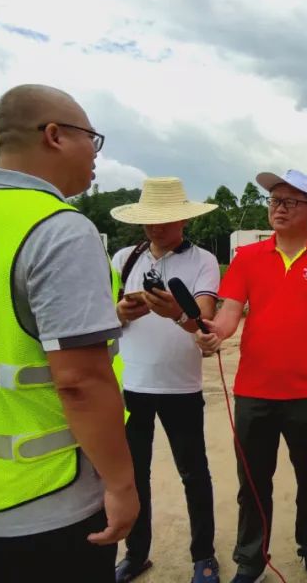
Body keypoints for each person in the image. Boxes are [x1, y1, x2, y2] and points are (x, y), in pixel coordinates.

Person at [0, 84, 137, 582]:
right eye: (92, 138)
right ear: (55, 136)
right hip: (45, 500)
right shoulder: (58, 228)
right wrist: (122, 485)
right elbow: (79, 382)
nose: (96, 154)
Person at [195, 169, 307, 583]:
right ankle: (251, 560)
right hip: (254, 392)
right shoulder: (248, 257)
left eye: (289, 202)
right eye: (274, 201)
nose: (278, 208)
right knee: (252, 482)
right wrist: (215, 333)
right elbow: (230, 312)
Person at [109, 177, 222, 583]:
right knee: (135, 475)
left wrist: (176, 311)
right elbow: (103, 314)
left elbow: (203, 317)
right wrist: (121, 312)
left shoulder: (202, 261)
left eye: (163, 220)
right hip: (132, 385)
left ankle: (203, 556)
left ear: (183, 220)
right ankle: (136, 554)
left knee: (194, 473)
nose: (155, 228)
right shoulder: (124, 258)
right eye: (149, 221)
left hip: (181, 387)